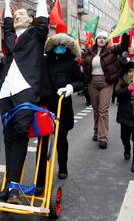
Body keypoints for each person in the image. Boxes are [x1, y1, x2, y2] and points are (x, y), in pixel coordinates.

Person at [0, 0, 49, 205]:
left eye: (21, 14)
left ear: (31, 20)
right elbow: (6, 23)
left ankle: (13, 187)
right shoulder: (10, 38)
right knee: (8, 137)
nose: (17, 16)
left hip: (26, 89)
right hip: (6, 91)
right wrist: (7, 5)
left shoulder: (36, 36)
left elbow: (43, 16)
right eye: (16, 15)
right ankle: (10, 186)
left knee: (20, 134)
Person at [36, 33, 84, 191]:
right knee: (43, 142)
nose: (59, 48)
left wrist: (71, 88)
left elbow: (81, 81)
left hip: (62, 107)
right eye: (57, 45)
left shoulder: (71, 63)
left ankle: (63, 166)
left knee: (61, 139)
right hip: (44, 107)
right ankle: (40, 179)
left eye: (63, 46)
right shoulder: (44, 61)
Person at [81, 31, 129, 149]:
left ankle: (103, 137)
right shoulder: (88, 52)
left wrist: (126, 37)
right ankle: (96, 131)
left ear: (106, 40)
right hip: (92, 83)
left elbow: (122, 46)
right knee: (96, 110)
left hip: (106, 83)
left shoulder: (111, 50)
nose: (101, 40)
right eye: (99, 38)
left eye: (104, 38)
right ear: (96, 40)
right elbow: (84, 66)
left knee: (103, 110)